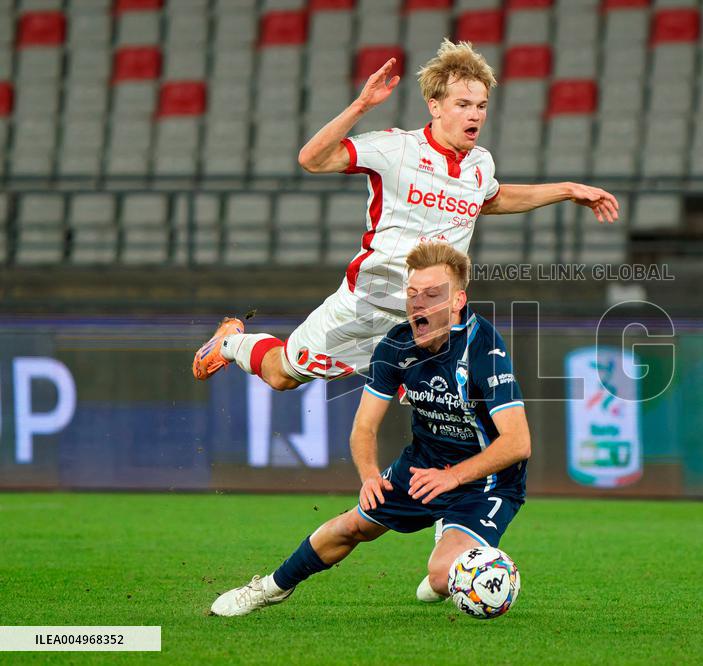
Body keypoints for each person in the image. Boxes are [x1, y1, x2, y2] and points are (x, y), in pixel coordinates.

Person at [192, 39, 618, 390]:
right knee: (283, 374)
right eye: (464, 104)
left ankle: (423, 489)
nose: (475, 114)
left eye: (482, 105)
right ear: (435, 106)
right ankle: (231, 343)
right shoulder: (396, 149)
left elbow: (492, 199)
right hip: (367, 305)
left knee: (448, 403)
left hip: (430, 317)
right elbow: (312, 159)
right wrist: (361, 106)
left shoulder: (480, 164)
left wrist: (566, 190)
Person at [210, 243, 529, 616]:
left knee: (442, 577)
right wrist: (369, 477)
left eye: (431, 295)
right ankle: (268, 589)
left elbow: (518, 443)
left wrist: (454, 478)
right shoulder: (396, 344)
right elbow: (363, 427)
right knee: (351, 526)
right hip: (424, 466)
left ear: (458, 300)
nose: (418, 304)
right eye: (412, 295)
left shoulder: (484, 348)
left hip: (485, 480)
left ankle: (452, 552)